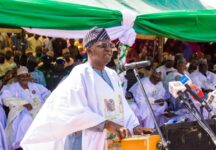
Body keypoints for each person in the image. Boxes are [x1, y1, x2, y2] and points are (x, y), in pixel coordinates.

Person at [21, 27, 152, 150]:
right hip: (85, 140)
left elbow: (121, 104)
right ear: (89, 50)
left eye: (110, 45)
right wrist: (107, 124)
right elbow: (73, 109)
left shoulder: (112, 74)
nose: (109, 49)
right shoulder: (80, 73)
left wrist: (134, 126)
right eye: (103, 46)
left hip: (111, 140)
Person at [1, 66, 51, 149]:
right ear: (18, 77)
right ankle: (23, 144)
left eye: (26, 75)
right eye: (22, 76)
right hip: (21, 111)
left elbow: (47, 94)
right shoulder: (11, 87)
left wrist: (46, 103)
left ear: (29, 76)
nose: (25, 78)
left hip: (38, 109)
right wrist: (23, 103)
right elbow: (5, 98)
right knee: (26, 119)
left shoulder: (36, 86)